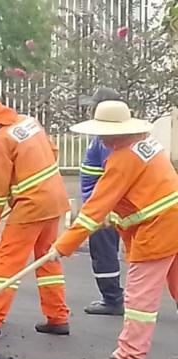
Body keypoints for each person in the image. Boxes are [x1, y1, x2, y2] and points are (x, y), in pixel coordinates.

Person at [47, 101, 178, 359]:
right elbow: (141, 193)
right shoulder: (147, 144)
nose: (100, 138)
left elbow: (94, 209)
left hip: (158, 229)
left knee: (140, 297)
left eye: (103, 133)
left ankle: (130, 356)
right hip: (172, 220)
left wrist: (62, 246)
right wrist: (116, 216)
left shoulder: (122, 159)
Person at [0, 92, 71, 338]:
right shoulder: (29, 122)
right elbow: (53, 150)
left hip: (31, 206)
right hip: (54, 198)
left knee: (7, 262)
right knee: (47, 260)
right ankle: (57, 317)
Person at [78, 86, 125, 315]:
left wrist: (102, 209)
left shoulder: (108, 140)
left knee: (104, 254)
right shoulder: (104, 138)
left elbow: (112, 176)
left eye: (93, 107)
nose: (89, 111)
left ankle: (112, 299)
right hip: (101, 205)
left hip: (104, 208)